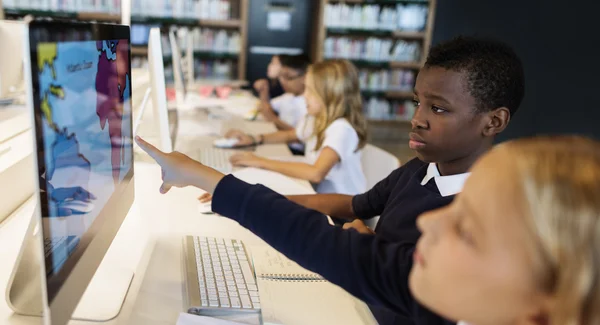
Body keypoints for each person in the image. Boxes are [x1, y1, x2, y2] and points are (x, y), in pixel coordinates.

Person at [207, 36, 526, 323]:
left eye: (438, 109)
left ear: (493, 121)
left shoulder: (482, 220)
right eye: (418, 103)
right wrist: (273, 200)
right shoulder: (416, 170)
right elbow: (355, 205)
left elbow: (398, 282)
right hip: (358, 300)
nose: (417, 119)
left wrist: (365, 240)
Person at [137, 133, 600, 325]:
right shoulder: (428, 287)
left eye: (468, 229)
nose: (430, 221)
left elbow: (327, 243)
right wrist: (205, 176)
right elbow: (325, 242)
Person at [230, 60, 368, 195]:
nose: (305, 96)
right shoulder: (316, 118)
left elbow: (316, 173)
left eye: (310, 91)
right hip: (319, 194)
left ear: (331, 96)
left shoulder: (341, 128)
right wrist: (255, 139)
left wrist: (261, 162)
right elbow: (292, 135)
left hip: (344, 210)